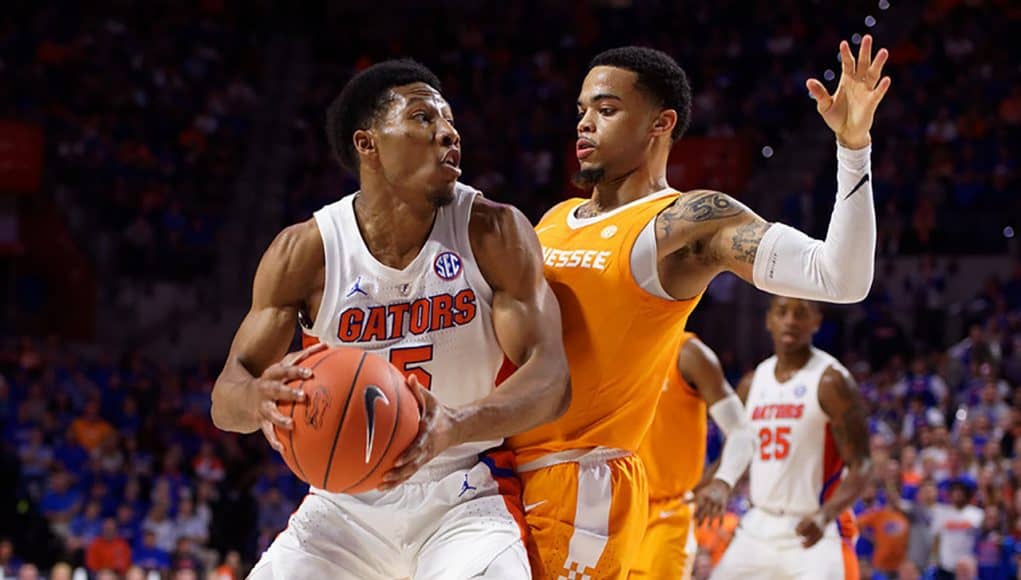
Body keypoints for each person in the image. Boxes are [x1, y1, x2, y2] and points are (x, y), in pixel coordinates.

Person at [513, 35, 890, 577]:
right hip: (508, 471)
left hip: (581, 481)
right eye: (582, 110)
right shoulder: (554, 218)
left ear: (660, 124)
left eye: (608, 108)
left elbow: (841, 277)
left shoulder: (689, 222)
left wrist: (853, 149)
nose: (585, 123)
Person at [210, 60, 570, 579]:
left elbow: (553, 380)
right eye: (424, 119)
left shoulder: (493, 231)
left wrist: (455, 426)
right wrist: (256, 398)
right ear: (368, 143)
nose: (449, 132)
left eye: (449, 121)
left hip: (461, 492)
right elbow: (227, 398)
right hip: (342, 506)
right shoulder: (307, 251)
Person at [712, 297, 872, 578]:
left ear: (816, 321)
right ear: (768, 320)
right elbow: (734, 450)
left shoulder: (832, 381)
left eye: (801, 313)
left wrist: (826, 515)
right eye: (782, 312)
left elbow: (863, 464)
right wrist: (711, 486)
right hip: (759, 525)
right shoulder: (753, 381)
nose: (790, 320)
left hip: (815, 527)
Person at [628, 332, 755, 578]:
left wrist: (722, 481)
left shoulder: (688, 354)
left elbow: (742, 431)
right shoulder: (606, 347)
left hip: (666, 514)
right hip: (612, 507)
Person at [930, 480, 984, 580]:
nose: (958, 493)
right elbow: (936, 538)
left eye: (961, 491)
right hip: (945, 566)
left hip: (966, 568)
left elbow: (982, 539)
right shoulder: (941, 513)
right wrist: (934, 560)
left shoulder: (977, 514)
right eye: (955, 491)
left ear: (967, 494)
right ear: (950, 494)